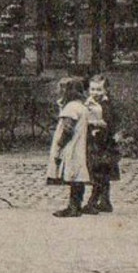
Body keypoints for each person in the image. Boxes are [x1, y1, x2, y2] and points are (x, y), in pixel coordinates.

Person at [47, 75, 92, 217]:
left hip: (72, 146)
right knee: (78, 177)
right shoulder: (81, 106)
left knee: (73, 176)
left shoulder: (71, 107)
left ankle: (72, 207)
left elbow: (67, 129)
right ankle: (76, 205)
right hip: (80, 145)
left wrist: (60, 145)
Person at [83, 75, 120, 214]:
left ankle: (93, 202)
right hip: (94, 142)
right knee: (100, 172)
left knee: (100, 172)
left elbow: (112, 122)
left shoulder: (107, 105)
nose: (95, 93)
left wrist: (104, 124)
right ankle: (105, 201)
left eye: (99, 89)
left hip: (105, 143)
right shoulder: (88, 103)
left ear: (105, 90)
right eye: (92, 89)